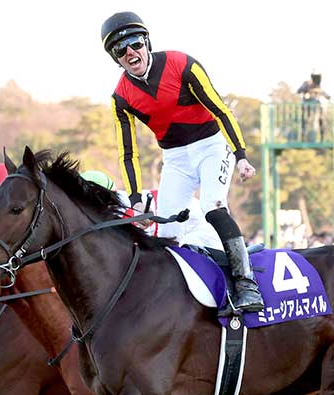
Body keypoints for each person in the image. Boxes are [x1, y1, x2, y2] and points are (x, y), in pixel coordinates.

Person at [101, 11, 263, 312]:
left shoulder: (182, 64)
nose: (130, 52)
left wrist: (240, 154)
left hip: (212, 145)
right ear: (115, 58)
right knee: (168, 229)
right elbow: (128, 152)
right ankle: (176, 300)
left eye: (135, 43)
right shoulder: (120, 98)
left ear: (146, 42)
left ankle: (246, 284)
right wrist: (136, 200)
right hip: (175, 157)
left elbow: (221, 110)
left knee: (213, 207)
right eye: (120, 49)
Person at [297, 69, 331, 142]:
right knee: (305, 121)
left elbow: (326, 95)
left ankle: (322, 137)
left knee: (321, 119)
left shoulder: (318, 86)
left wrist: (325, 95)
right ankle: (303, 137)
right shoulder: (306, 84)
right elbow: (299, 91)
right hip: (307, 106)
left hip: (316, 107)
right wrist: (308, 91)